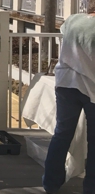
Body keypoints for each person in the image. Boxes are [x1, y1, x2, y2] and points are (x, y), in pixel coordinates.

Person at [43, 11, 95, 194]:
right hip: (91, 89)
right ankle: (91, 187)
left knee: (62, 134)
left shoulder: (74, 19)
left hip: (65, 82)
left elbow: (64, 32)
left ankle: (50, 183)